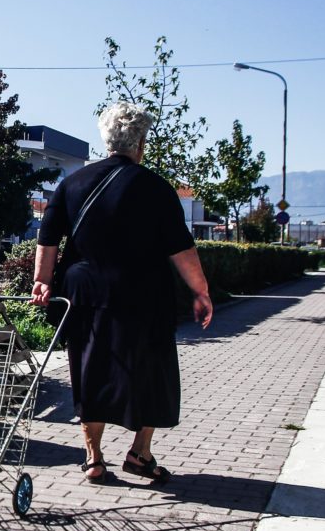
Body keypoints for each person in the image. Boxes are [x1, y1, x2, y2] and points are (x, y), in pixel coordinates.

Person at [30, 101, 213, 484]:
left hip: (84, 292)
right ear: (140, 142)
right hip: (143, 292)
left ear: (106, 139)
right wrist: (201, 292)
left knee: (90, 368)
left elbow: (47, 239)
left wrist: (42, 281)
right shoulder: (156, 188)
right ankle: (140, 453)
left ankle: (94, 458)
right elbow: (182, 248)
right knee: (151, 369)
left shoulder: (72, 183)